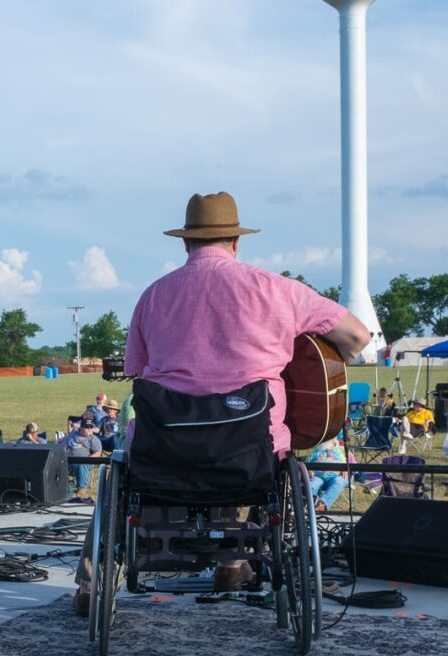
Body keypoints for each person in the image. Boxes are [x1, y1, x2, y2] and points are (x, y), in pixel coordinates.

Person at [70, 190, 369, 612]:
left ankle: (91, 584)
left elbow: (138, 369)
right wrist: (322, 358)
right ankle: (232, 558)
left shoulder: (153, 295)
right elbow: (357, 337)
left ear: (185, 241)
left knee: (119, 474)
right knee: (258, 440)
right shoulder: (277, 289)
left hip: (167, 447)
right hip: (248, 448)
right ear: (236, 241)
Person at [63, 415, 102, 501]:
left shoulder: (93, 439)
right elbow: (62, 447)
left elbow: (98, 453)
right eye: (87, 427)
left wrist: (87, 459)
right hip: (68, 461)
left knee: (81, 464)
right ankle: (62, 488)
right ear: (81, 427)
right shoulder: (71, 436)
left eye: (91, 427)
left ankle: (81, 490)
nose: (89, 429)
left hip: (84, 463)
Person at [306, 437, 349, 514]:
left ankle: (322, 504)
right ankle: (309, 503)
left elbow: (349, 463)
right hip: (317, 476)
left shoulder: (341, 450)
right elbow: (306, 464)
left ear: (334, 441)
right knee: (313, 483)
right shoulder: (315, 451)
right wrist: (309, 470)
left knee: (340, 481)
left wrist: (345, 468)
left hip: (336, 476)